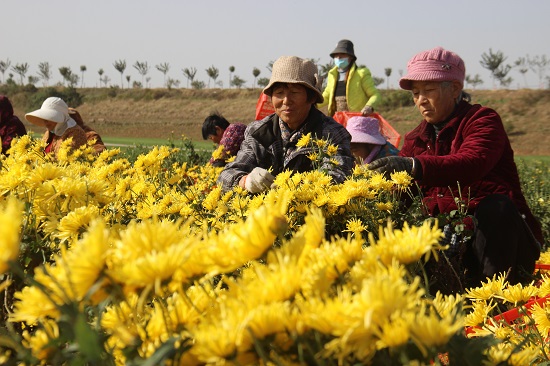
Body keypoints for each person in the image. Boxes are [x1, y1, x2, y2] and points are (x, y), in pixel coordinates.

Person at [368, 46, 543, 287]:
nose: (420, 100)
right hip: (455, 247)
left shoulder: (483, 121)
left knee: (496, 207)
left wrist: (413, 166)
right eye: (416, 93)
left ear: (455, 89)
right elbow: (401, 193)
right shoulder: (416, 139)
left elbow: (471, 163)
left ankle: (494, 297)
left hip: (505, 248)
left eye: (428, 90)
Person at [217, 56, 354, 193]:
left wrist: (292, 188)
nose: (286, 101)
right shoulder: (258, 132)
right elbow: (226, 175)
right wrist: (246, 181)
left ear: (311, 97)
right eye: (279, 93)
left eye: (294, 92)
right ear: (271, 98)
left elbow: (338, 175)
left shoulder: (332, 134)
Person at [318, 39, 381, 117]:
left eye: (342, 54)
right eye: (336, 55)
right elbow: (327, 96)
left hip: (357, 120)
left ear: (350, 57)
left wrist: (369, 106)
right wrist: (312, 104)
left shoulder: (361, 74)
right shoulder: (332, 75)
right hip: (337, 120)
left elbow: (375, 95)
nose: (338, 57)